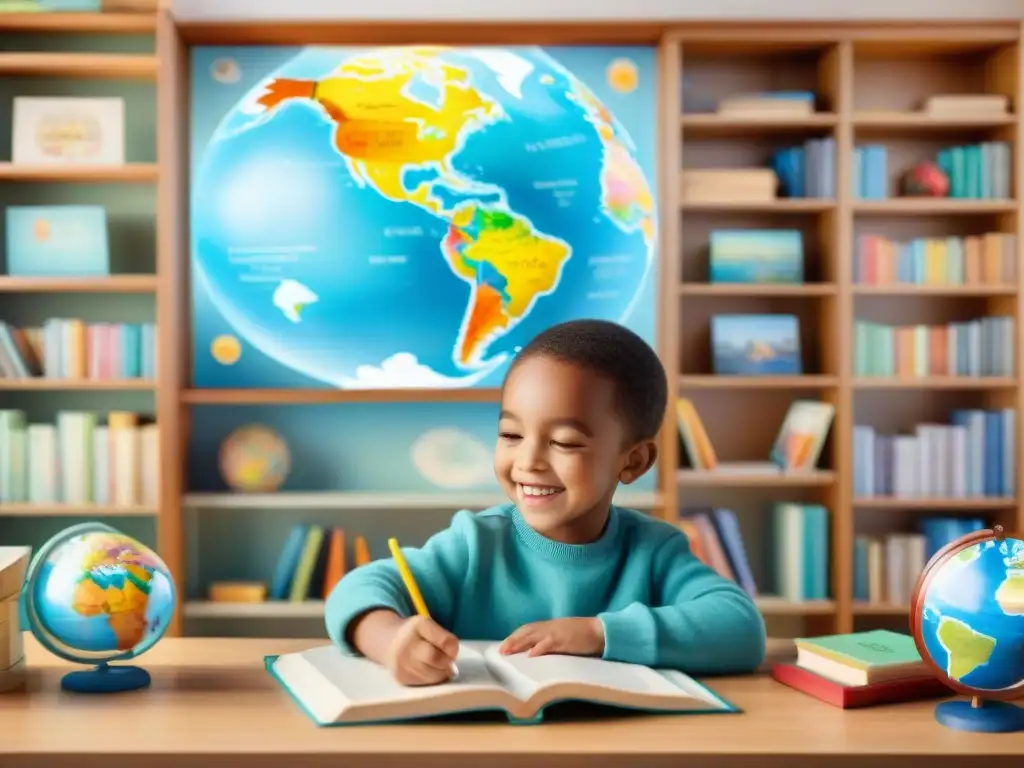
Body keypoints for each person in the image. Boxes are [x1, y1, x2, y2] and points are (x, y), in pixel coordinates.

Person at [325, 319, 766, 686]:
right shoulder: (474, 544)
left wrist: (597, 632)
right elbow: (355, 591)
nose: (529, 461)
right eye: (511, 435)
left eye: (564, 442)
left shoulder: (653, 551)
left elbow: (741, 628)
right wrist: (391, 641)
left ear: (632, 461)